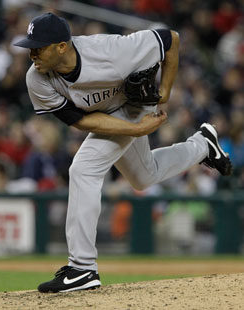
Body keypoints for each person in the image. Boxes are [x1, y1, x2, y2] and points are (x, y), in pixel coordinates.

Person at [14, 12, 232, 293]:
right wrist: (136, 131)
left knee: (83, 169)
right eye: (30, 46)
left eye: (38, 46)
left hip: (134, 106)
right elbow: (79, 121)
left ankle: (82, 268)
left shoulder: (112, 51)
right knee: (144, 176)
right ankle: (203, 144)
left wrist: (165, 91)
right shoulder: (38, 79)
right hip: (110, 115)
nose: (32, 53)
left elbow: (171, 39)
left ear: (61, 46)